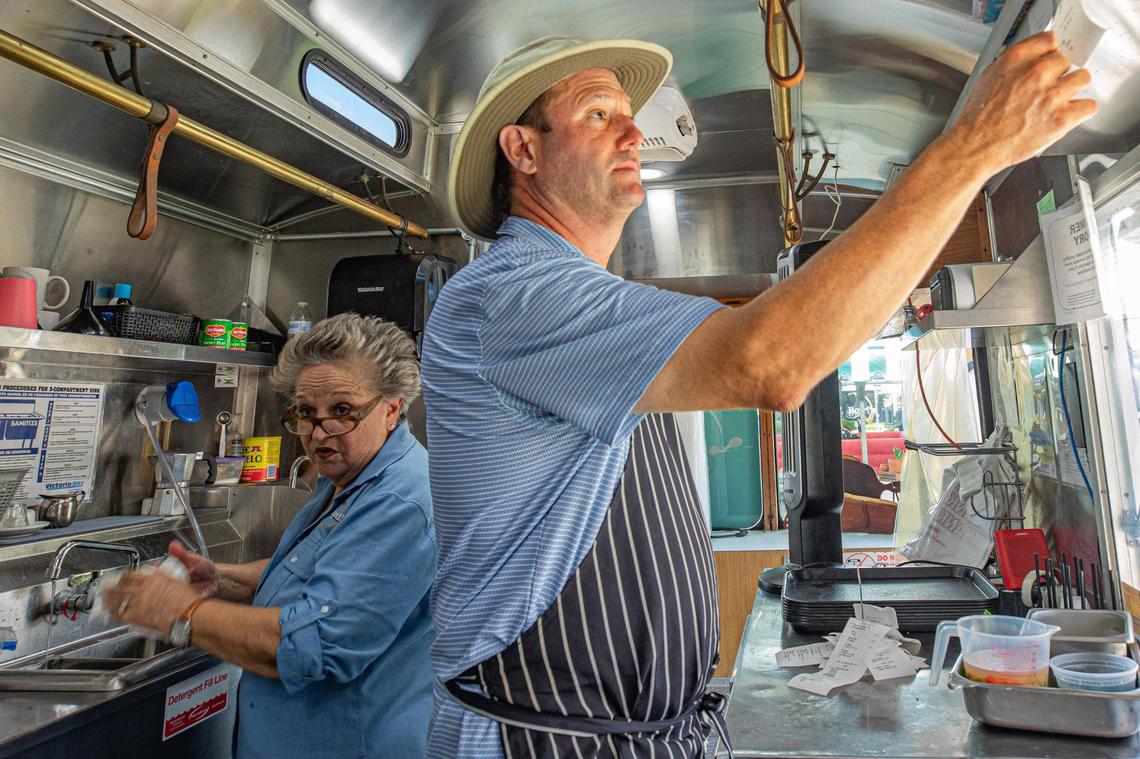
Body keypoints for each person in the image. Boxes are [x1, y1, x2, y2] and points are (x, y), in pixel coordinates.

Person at [421, 34, 1095, 757]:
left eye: (628, 112)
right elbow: (773, 360)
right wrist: (972, 147)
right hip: (544, 733)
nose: (632, 130)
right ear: (522, 150)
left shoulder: (590, 304)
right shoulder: (514, 296)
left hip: (628, 732)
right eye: (597, 115)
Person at [106, 313, 437, 759]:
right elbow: (329, 572)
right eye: (305, 413)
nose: (318, 434)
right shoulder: (349, 477)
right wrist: (227, 578)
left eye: (342, 412)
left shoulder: (399, 501)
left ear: (392, 408)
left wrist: (181, 611)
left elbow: (318, 645)